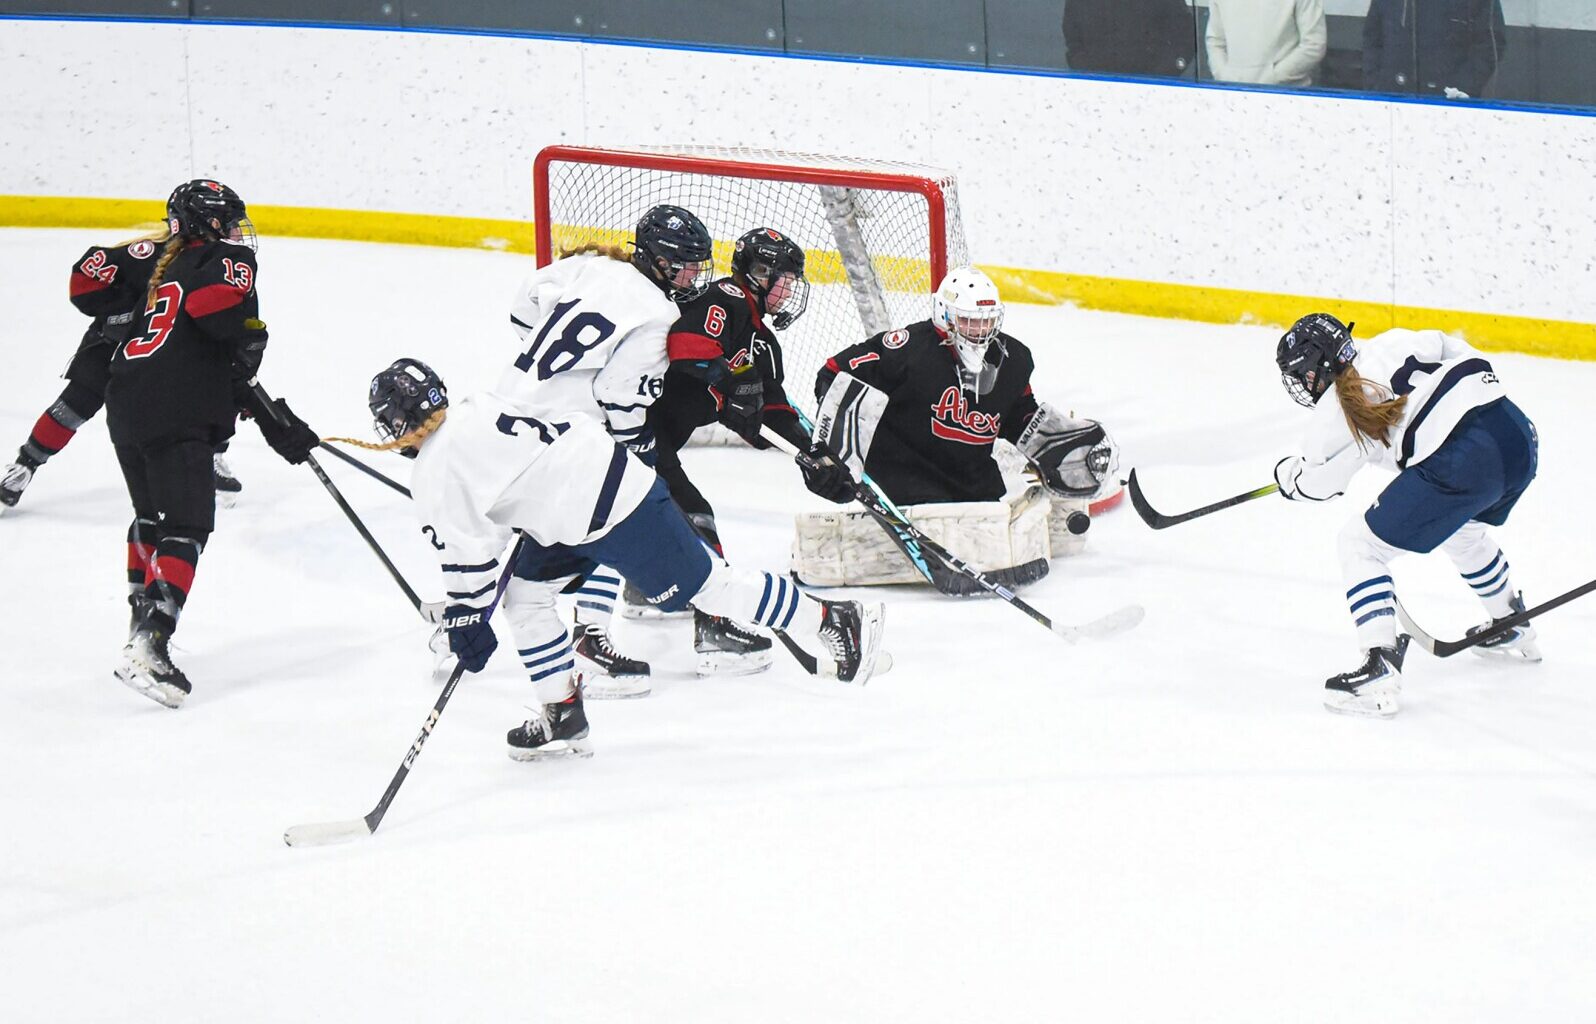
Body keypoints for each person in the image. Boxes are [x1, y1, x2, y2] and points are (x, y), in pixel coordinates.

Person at [354, 215, 883, 760]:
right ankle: (563, 712)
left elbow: (527, 308)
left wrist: (466, 615)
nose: (691, 278)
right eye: (683, 267)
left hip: (591, 480)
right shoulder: (648, 309)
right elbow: (619, 395)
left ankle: (829, 618)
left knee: (709, 585)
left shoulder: (502, 385)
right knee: (526, 599)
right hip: (573, 479)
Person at [576, 226, 853, 688]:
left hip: (652, 435)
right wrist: (730, 381)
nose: (789, 291)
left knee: (634, 517)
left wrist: (814, 456)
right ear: (758, 275)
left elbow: (772, 412)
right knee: (691, 516)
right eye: (782, 279)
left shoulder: (763, 343)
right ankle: (715, 627)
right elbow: (686, 348)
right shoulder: (726, 298)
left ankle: (646, 586)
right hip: (626, 426)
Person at [108, 179, 319, 708]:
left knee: (151, 518)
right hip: (172, 407)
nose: (235, 232)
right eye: (227, 222)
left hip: (125, 401)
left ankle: (142, 620)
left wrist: (273, 420)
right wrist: (248, 328)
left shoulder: (164, 272)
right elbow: (217, 319)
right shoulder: (226, 261)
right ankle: (151, 645)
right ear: (211, 226)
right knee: (188, 526)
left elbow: (204, 356)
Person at [1273, 312, 1539, 718]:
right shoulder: (1393, 340)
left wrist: (1288, 478)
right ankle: (1510, 620)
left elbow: (1319, 485)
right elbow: (1469, 359)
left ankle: (1378, 663)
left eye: (1303, 373)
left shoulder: (1334, 410)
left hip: (1463, 460)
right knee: (1462, 532)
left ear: (1318, 363)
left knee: (1358, 545)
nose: (1304, 384)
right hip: (1516, 434)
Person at [803, 266, 1117, 591]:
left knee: (995, 515)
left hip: (971, 482)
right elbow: (833, 372)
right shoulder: (907, 349)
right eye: (969, 320)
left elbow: (1017, 415)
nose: (980, 330)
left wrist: (1058, 443)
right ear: (945, 316)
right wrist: (836, 449)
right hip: (907, 475)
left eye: (988, 320)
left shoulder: (1012, 359)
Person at [0, 232, 243, 513]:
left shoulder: (221, 264)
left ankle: (210, 457)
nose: (233, 231)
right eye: (224, 222)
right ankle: (24, 466)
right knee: (79, 401)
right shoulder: (147, 251)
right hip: (119, 342)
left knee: (218, 385)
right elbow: (84, 278)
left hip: (175, 348)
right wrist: (124, 308)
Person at [1362, 0, 1506, 99]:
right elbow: (1372, 37)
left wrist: (1463, 88)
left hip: (1450, 103)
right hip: (1391, 100)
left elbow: (1490, 44)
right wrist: (1377, 85)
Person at [1204, 0, 1327, 87]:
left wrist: (1271, 77)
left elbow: (1314, 44)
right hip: (1232, 95)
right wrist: (1225, 77)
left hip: (1286, 98)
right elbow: (1215, 41)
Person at [1062, 0, 1195, 78]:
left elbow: (1185, 40)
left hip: (1151, 90)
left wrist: (1158, 78)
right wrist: (1089, 75)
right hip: (1094, 90)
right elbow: (1073, 41)